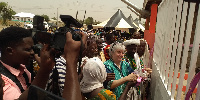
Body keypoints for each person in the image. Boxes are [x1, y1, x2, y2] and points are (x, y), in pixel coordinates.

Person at [0, 26, 56, 99]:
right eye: (28, 50)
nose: (32, 52)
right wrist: (44, 70)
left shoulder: (22, 69)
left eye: (33, 48)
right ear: (10, 51)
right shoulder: (3, 83)